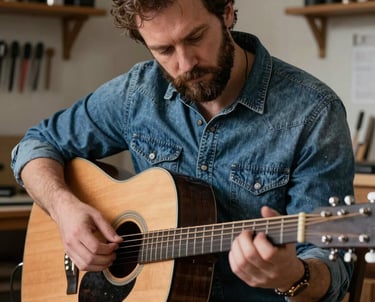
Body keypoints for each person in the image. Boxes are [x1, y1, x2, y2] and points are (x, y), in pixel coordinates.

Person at [11, 0, 355, 301]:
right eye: (164, 50)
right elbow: (35, 146)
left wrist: (293, 276)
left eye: (195, 37)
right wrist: (65, 209)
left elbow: (333, 271)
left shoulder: (313, 113)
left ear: (228, 12)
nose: (185, 63)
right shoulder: (138, 93)